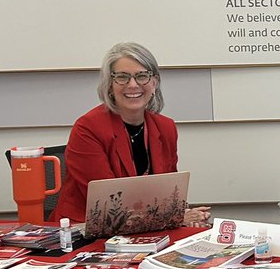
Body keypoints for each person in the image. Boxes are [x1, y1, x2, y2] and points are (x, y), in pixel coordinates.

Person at [53, 42, 209, 226]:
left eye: (142, 76)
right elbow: (108, 204)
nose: (133, 85)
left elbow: (168, 193)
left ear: (154, 82)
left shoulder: (165, 127)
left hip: (148, 231)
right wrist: (174, 217)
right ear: (110, 85)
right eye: (122, 77)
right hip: (86, 231)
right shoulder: (87, 128)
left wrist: (183, 213)